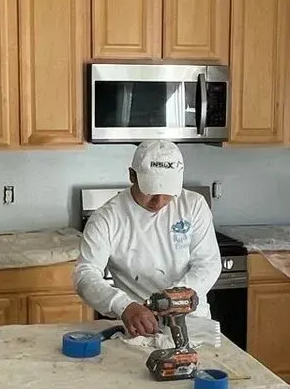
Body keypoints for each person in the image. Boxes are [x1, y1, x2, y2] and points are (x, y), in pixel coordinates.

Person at [74, 139, 220, 337]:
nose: (159, 201)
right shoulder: (107, 218)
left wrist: (176, 298)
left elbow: (208, 264)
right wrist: (123, 306)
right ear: (132, 175)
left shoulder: (194, 205)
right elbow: (86, 274)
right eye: (150, 190)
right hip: (140, 327)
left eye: (167, 192)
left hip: (194, 323)